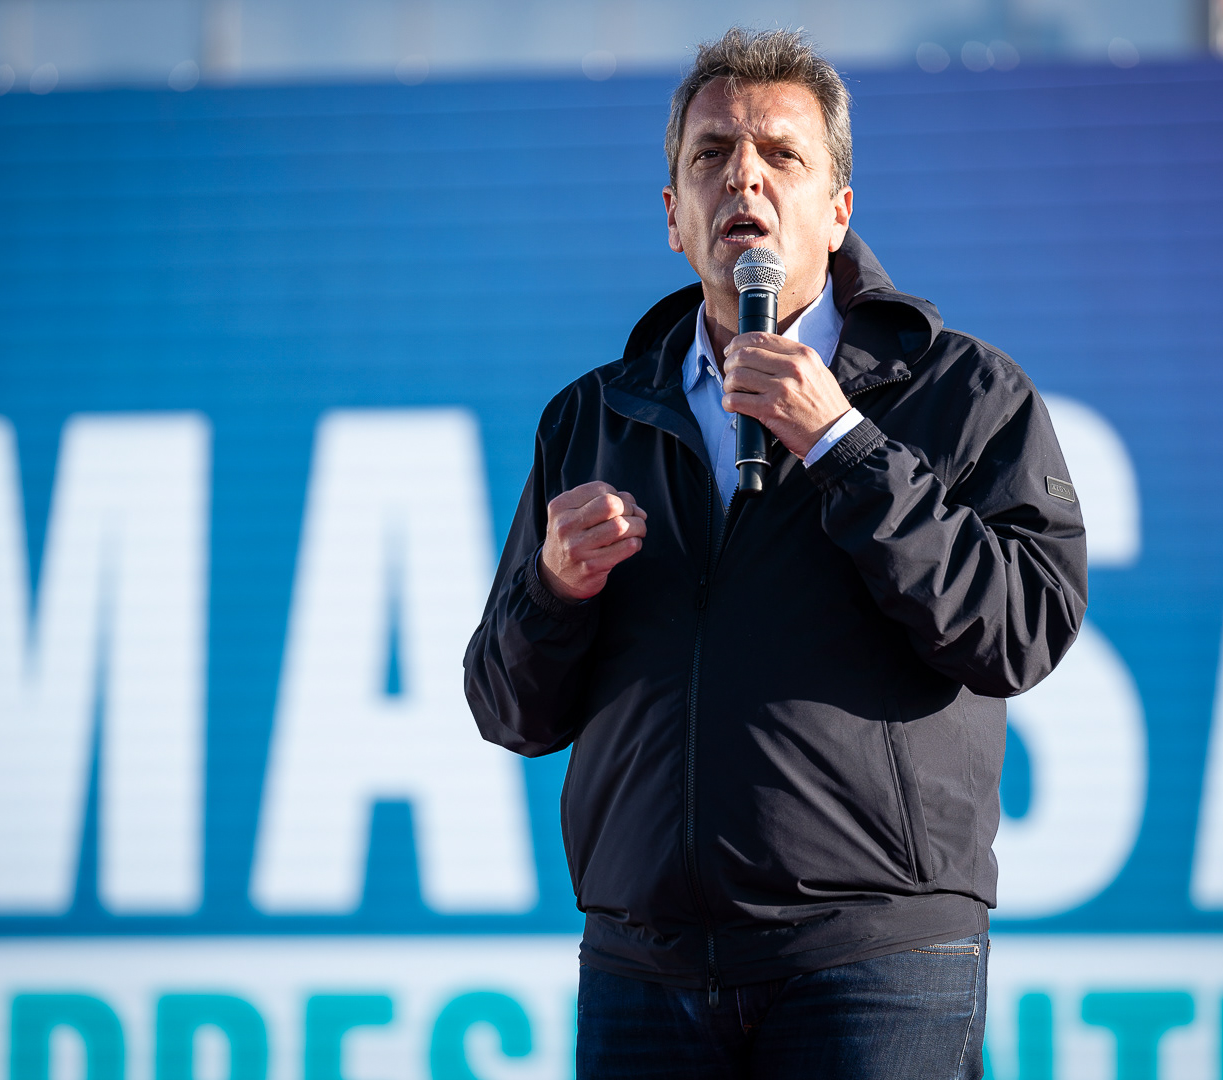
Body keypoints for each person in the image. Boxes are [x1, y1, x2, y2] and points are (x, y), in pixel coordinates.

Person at [464, 27, 1086, 1080]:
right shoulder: (594, 418)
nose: (741, 175)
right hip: (644, 966)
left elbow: (1020, 629)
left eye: (781, 155)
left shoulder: (964, 396)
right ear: (674, 215)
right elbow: (505, 706)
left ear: (838, 211)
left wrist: (845, 446)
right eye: (709, 156)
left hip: (875, 959)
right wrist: (554, 591)